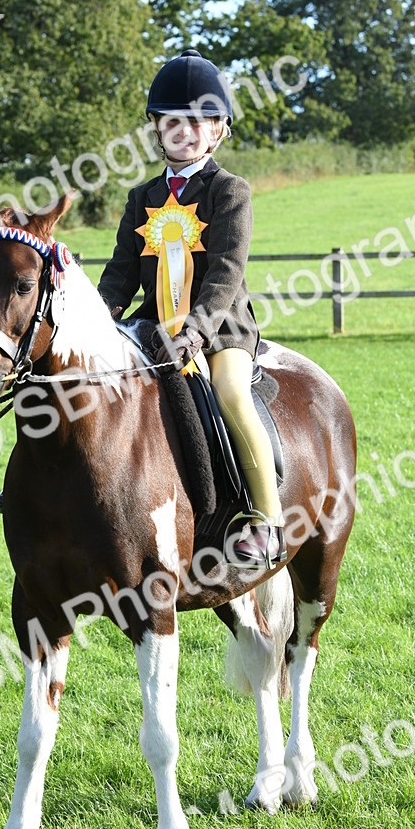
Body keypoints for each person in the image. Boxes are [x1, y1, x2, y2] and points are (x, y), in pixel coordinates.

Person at [98, 48, 286, 569]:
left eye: (200, 120)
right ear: (156, 129)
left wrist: (198, 331)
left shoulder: (230, 192)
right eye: (173, 121)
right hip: (151, 328)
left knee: (229, 394)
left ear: (219, 129)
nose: (186, 130)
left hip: (220, 330)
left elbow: (226, 272)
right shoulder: (141, 198)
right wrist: (98, 317)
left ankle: (265, 522)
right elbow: (120, 272)